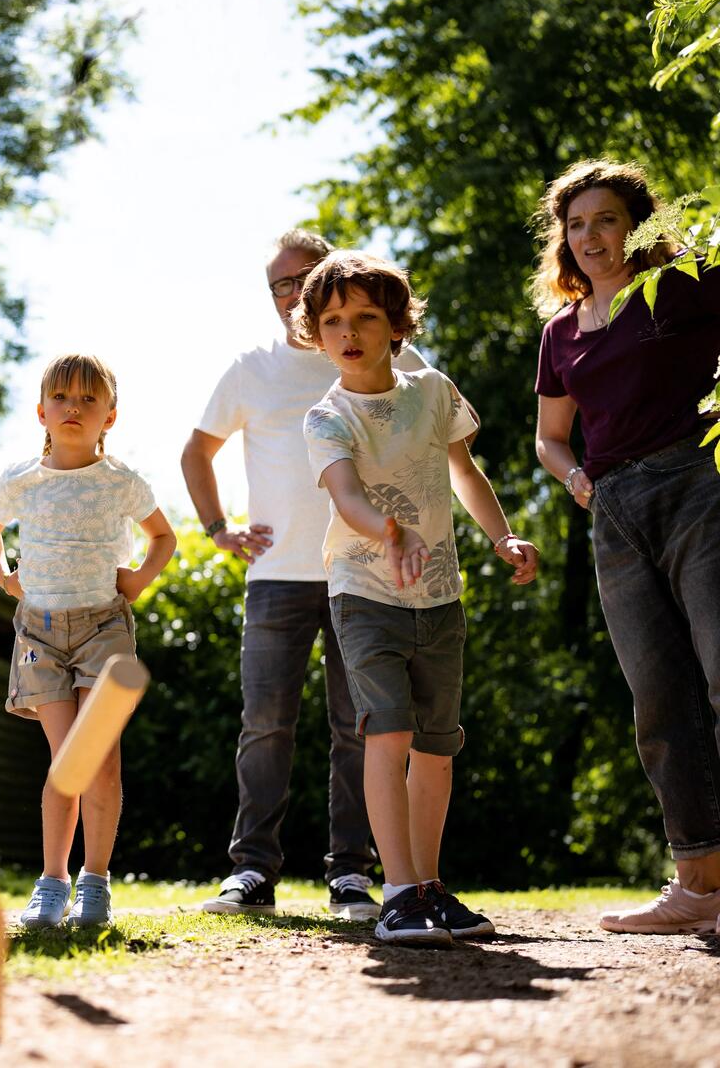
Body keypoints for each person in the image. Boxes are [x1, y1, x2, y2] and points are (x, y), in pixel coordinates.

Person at [183, 229, 437, 919]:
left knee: (361, 726)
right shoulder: (251, 368)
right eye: (277, 287)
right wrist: (217, 530)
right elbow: (194, 454)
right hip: (276, 575)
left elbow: (432, 439)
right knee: (265, 723)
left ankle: (351, 875)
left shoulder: (388, 353)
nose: (289, 295)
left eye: (302, 280)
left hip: (363, 574)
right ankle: (252, 872)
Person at [298, 250, 539, 946]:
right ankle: (397, 893)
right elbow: (346, 496)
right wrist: (390, 530)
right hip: (364, 592)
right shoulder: (327, 416)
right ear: (315, 332)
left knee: (437, 746)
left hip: (439, 598)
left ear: (397, 324)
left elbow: (465, 473)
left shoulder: (433, 392)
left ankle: (430, 887)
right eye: (333, 319)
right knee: (389, 730)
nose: (350, 331)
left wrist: (502, 537)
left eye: (366, 316)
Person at [531, 159, 720, 936]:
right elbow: (548, 437)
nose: (589, 237)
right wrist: (578, 480)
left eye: (605, 219)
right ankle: (700, 884)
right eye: (574, 225)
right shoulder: (560, 334)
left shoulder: (686, 285)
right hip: (615, 512)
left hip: (700, 487)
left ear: (636, 225)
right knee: (659, 697)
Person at [0, 353, 176, 929]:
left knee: (101, 760)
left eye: (89, 399)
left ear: (109, 417)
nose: (74, 408)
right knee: (66, 762)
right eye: (62, 397)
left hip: (102, 630)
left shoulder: (122, 483)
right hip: (40, 631)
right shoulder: (21, 481)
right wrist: (5, 578)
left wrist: (137, 579)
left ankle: (95, 882)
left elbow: (162, 537)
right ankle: (51, 882)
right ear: (41, 412)